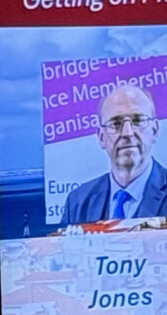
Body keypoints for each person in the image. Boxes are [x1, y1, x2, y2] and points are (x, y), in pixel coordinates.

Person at [60, 82, 167, 223]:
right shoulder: (77, 202)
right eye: (116, 123)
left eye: (137, 121)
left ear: (155, 130)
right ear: (101, 137)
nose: (127, 133)